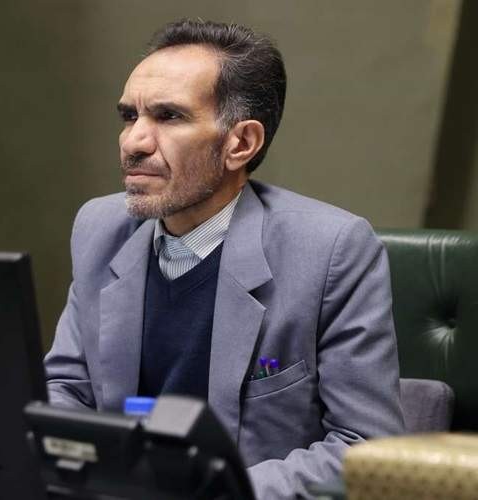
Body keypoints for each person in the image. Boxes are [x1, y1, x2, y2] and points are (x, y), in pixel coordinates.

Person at [44, 19, 405, 499]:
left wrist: (210, 492)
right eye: (130, 116)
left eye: (168, 117)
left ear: (241, 144)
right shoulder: (99, 227)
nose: (134, 142)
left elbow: (365, 450)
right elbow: (66, 389)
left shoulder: (332, 250)